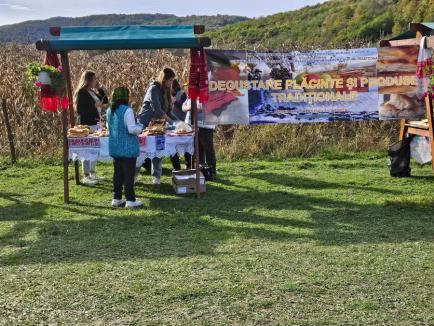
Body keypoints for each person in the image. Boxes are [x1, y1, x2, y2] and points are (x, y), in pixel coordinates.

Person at [137, 67, 177, 184]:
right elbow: (158, 109)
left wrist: (179, 122)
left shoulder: (166, 90)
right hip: (145, 123)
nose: (171, 83)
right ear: (164, 79)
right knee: (142, 152)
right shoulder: (154, 89)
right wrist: (172, 122)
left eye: (172, 80)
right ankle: (134, 176)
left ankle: (156, 177)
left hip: (158, 125)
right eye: (169, 80)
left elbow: (168, 111)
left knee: (158, 149)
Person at [107, 87, 144, 208]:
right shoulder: (127, 110)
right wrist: (141, 127)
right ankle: (130, 200)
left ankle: (116, 198)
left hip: (115, 147)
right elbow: (132, 129)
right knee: (129, 174)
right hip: (127, 148)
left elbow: (109, 127)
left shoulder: (109, 110)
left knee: (117, 174)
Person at [74, 70, 109, 185]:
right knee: (87, 150)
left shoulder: (92, 92)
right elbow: (80, 110)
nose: (96, 80)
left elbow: (106, 101)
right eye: (94, 79)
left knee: (94, 150)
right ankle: (86, 176)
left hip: (96, 123)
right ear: (88, 80)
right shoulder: (82, 93)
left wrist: (99, 88)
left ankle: (92, 172)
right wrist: (94, 106)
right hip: (87, 124)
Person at [184, 99, 217, 177]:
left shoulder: (210, 93)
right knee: (198, 148)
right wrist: (190, 107)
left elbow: (204, 107)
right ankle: (201, 170)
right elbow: (184, 107)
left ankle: (211, 171)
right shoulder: (191, 95)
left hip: (206, 125)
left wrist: (193, 107)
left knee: (208, 148)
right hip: (193, 125)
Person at [169, 79, 188, 171]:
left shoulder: (182, 93)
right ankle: (176, 167)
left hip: (182, 124)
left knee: (186, 145)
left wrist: (174, 101)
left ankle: (188, 165)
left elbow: (183, 106)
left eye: (170, 86)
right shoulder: (168, 94)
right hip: (171, 124)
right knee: (172, 146)